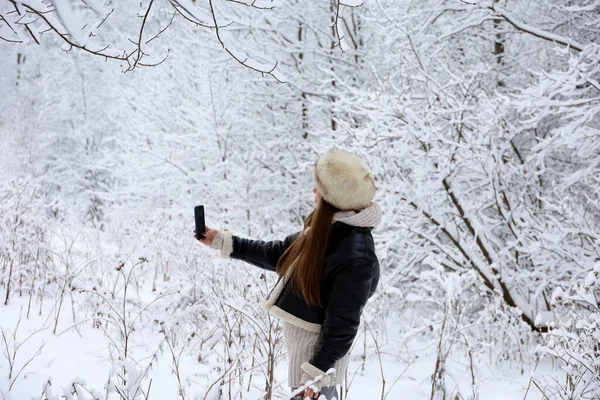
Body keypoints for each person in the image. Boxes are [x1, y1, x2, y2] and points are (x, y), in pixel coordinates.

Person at [197, 148, 381, 400]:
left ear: (333, 198)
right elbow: (277, 254)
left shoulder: (356, 255)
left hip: (316, 376)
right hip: (309, 369)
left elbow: (343, 324)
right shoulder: (325, 232)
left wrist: (316, 374)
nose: (314, 193)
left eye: (320, 189)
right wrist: (221, 241)